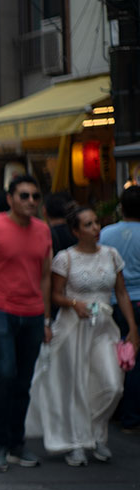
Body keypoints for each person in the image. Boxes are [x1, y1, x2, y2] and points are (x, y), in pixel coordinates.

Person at [27, 205, 138, 465]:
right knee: (75, 386)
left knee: (113, 385)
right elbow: (54, 294)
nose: (96, 228)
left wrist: (132, 328)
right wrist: (73, 304)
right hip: (72, 328)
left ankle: (95, 431)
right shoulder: (65, 258)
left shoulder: (112, 255)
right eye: (88, 225)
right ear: (76, 231)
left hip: (104, 326)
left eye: (96, 223)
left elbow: (121, 293)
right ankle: (77, 441)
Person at [0, 174, 53, 473]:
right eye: (24, 195)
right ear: (11, 198)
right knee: (4, 374)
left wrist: (46, 318)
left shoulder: (43, 232)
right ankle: (0, 446)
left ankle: (17, 443)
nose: (30, 201)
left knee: (23, 381)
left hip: (32, 312)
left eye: (35, 196)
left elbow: (45, 276)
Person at [101, 186, 140, 434]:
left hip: (113, 302)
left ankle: (114, 410)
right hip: (137, 300)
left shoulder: (105, 233)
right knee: (136, 359)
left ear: (121, 207)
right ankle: (132, 416)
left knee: (116, 356)